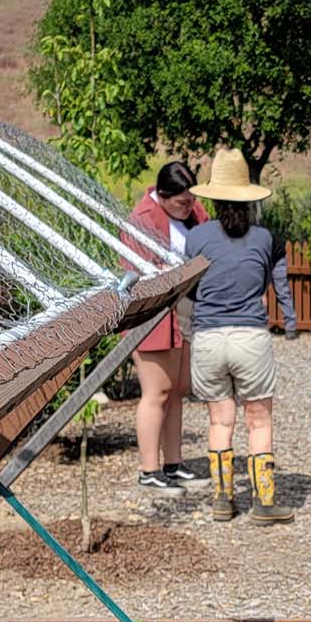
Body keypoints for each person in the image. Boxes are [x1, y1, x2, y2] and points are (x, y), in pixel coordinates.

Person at [186, 149, 298, 525]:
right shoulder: (265, 238)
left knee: (220, 421)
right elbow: (268, 280)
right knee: (259, 422)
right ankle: (264, 503)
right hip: (250, 335)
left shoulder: (196, 237)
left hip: (208, 337)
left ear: (213, 196)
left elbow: (189, 289)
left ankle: (222, 499)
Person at [122, 160, 208, 496]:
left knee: (177, 389)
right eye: (181, 202)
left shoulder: (194, 213)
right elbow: (134, 271)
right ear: (163, 195)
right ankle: (149, 469)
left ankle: (173, 463)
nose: (189, 207)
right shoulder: (141, 220)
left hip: (184, 310)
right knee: (156, 391)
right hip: (154, 315)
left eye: (191, 200)